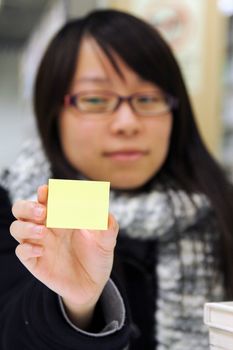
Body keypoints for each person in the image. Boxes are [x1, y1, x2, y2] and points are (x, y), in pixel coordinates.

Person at [0, 8, 233, 350]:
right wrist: (77, 306)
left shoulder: (221, 208)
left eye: (147, 99)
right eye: (95, 99)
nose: (127, 122)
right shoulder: (19, 213)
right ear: (53, 115)